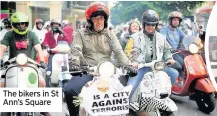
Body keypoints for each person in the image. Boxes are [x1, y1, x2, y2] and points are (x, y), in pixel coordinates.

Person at [63, 2, 135, 116]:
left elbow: (118, 52)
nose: (99, 21)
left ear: (105, 19)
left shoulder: (110, 34)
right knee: (70, 90)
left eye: (101, 18)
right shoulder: (81, 34)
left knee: (124, 93)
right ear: (89, 20)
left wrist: (128, 66)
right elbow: (76, 50)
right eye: (95, 18)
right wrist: (74, 64)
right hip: (87, 71)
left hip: (107, 73)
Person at [125, 10, 179, 114]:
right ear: (144, 24)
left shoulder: (161, 37)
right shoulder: (134, 37)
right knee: (130, 89)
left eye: (153, 25)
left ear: (156, 25)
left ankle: (162, 96)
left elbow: (167, 50)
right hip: (140, 67)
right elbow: (127, 52)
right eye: (148, 24)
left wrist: (169, 59)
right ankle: (129, 109)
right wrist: (133, 61)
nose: (150, 27)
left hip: (157, 66)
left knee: (174, 73)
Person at [0, 12, 50, 116]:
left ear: (26, 24)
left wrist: (42, 61)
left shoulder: (32, 34)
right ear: (13, 24)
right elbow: (2, 48)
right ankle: (4, 105)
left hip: (31, 65)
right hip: (11, 65)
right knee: (1, 84)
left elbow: (38, 48)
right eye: (18, 24)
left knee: (41, 83)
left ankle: (42, 107)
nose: (21, 26)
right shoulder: (9, 34)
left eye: (23, 24)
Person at [42, 18, 70, 87]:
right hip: (52, 53)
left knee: (65, 70)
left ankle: (66, 83)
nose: (56, 26)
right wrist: (46, 47)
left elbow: (68, 40)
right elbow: (45, 42)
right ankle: (48, 87)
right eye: (54, 24)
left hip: (62, 54)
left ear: (59, 25)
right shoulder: (48, 34)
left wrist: (62, 33)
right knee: (49, 70)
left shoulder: (62, 33)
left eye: (57, 24)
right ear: (51, 25)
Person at [160, 11, 186, 76]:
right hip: (169, 53)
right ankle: (180, 78)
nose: (176, 22)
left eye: (178, 20)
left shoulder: (178, 30)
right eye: (174, 20)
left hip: (177, 52)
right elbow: (162, 39)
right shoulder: (164, 29)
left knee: (189, 62)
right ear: (170, 21)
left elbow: (186, 37)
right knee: (181, 64)